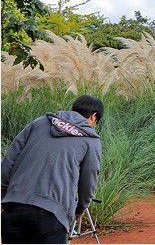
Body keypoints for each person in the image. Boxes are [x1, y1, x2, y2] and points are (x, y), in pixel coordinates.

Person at [1, 95, 104, 244]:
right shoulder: (91, 140)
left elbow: (9, 161)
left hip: (14, 207)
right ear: (94, 116)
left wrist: (5, 196)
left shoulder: (40, 122)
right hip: (51, 214)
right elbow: (89, 179)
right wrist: (80, 208)